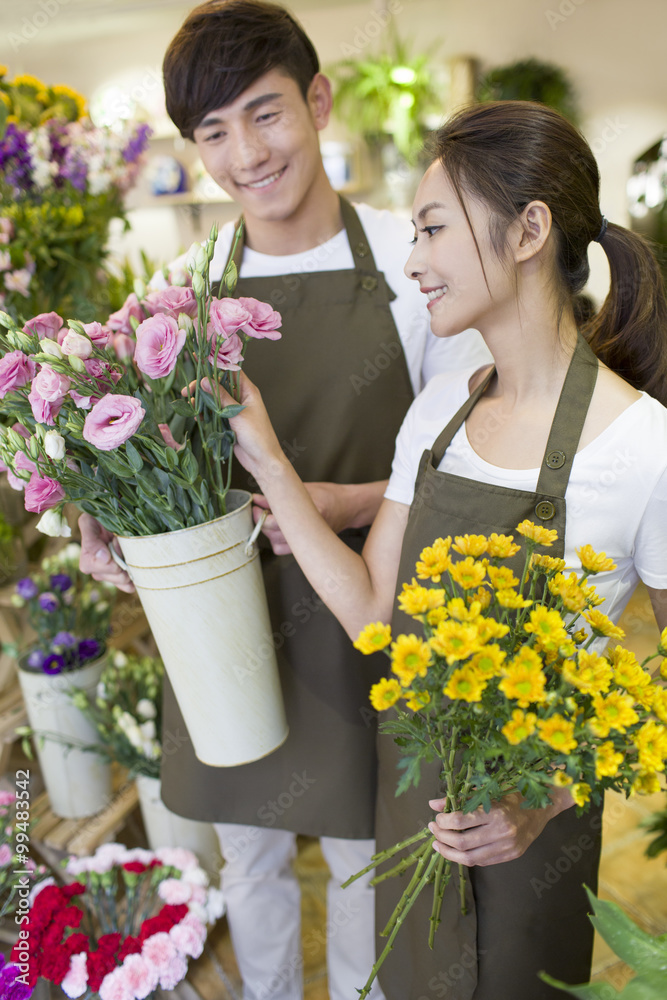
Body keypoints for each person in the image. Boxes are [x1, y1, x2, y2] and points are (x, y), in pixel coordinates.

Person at [192, 100, 667, 999]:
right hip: (408, 805)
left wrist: (549, 795)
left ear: (528, 230)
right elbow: (376, 612)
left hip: (534, 837)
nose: (412, 261)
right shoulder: (438, 410)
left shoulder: (646, 447)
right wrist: (268, 458)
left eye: (433, 228)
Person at [78, 3, 490, 999]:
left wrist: (343, 503)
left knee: (360, 859)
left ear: (317, 100)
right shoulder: (187, 284)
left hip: (364, 613)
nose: (243, 153)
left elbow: (472, 458)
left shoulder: (412, 260)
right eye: (211, 131)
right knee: (250, 858)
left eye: (263, 114)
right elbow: (137, 448)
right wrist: (104, 509)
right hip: (228, 623)